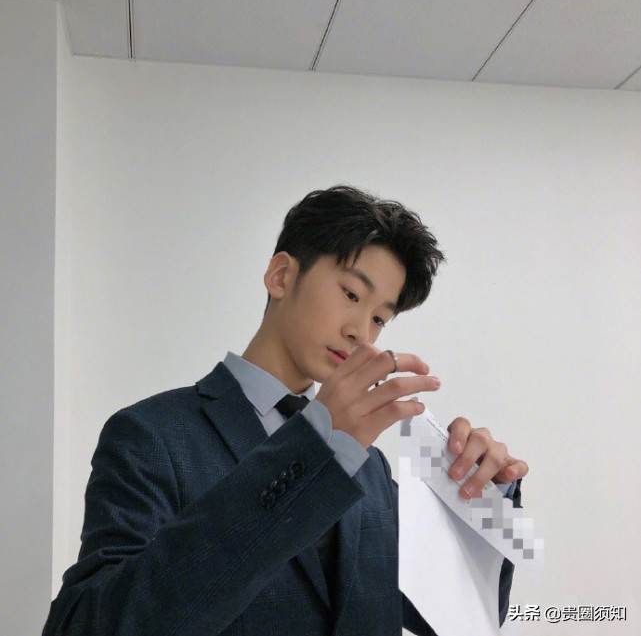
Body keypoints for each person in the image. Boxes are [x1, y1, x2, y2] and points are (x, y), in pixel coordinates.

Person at [43, 185, 527, 636]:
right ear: (281, 276)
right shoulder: (152, 435)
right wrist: (311, 451)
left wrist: (479, 496)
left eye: (380, 317)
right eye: (351, 294)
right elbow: (91, 625)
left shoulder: (369, 468)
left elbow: (456, 614)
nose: (361, 331)